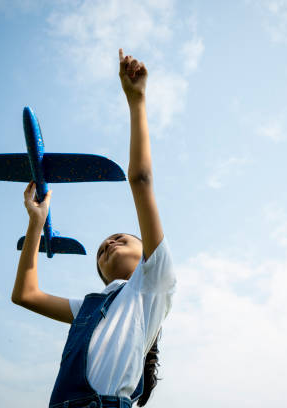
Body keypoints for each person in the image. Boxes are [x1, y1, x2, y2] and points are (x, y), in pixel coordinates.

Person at [11, 48, 175, 408]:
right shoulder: (88, 306)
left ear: (146, 254)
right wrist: (36, 222)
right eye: (102, 247)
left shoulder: (152, 285)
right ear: (100, 273)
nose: (109, 243)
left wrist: (137, 102)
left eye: (122, 238)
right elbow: (25, 294)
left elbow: (141, 179)